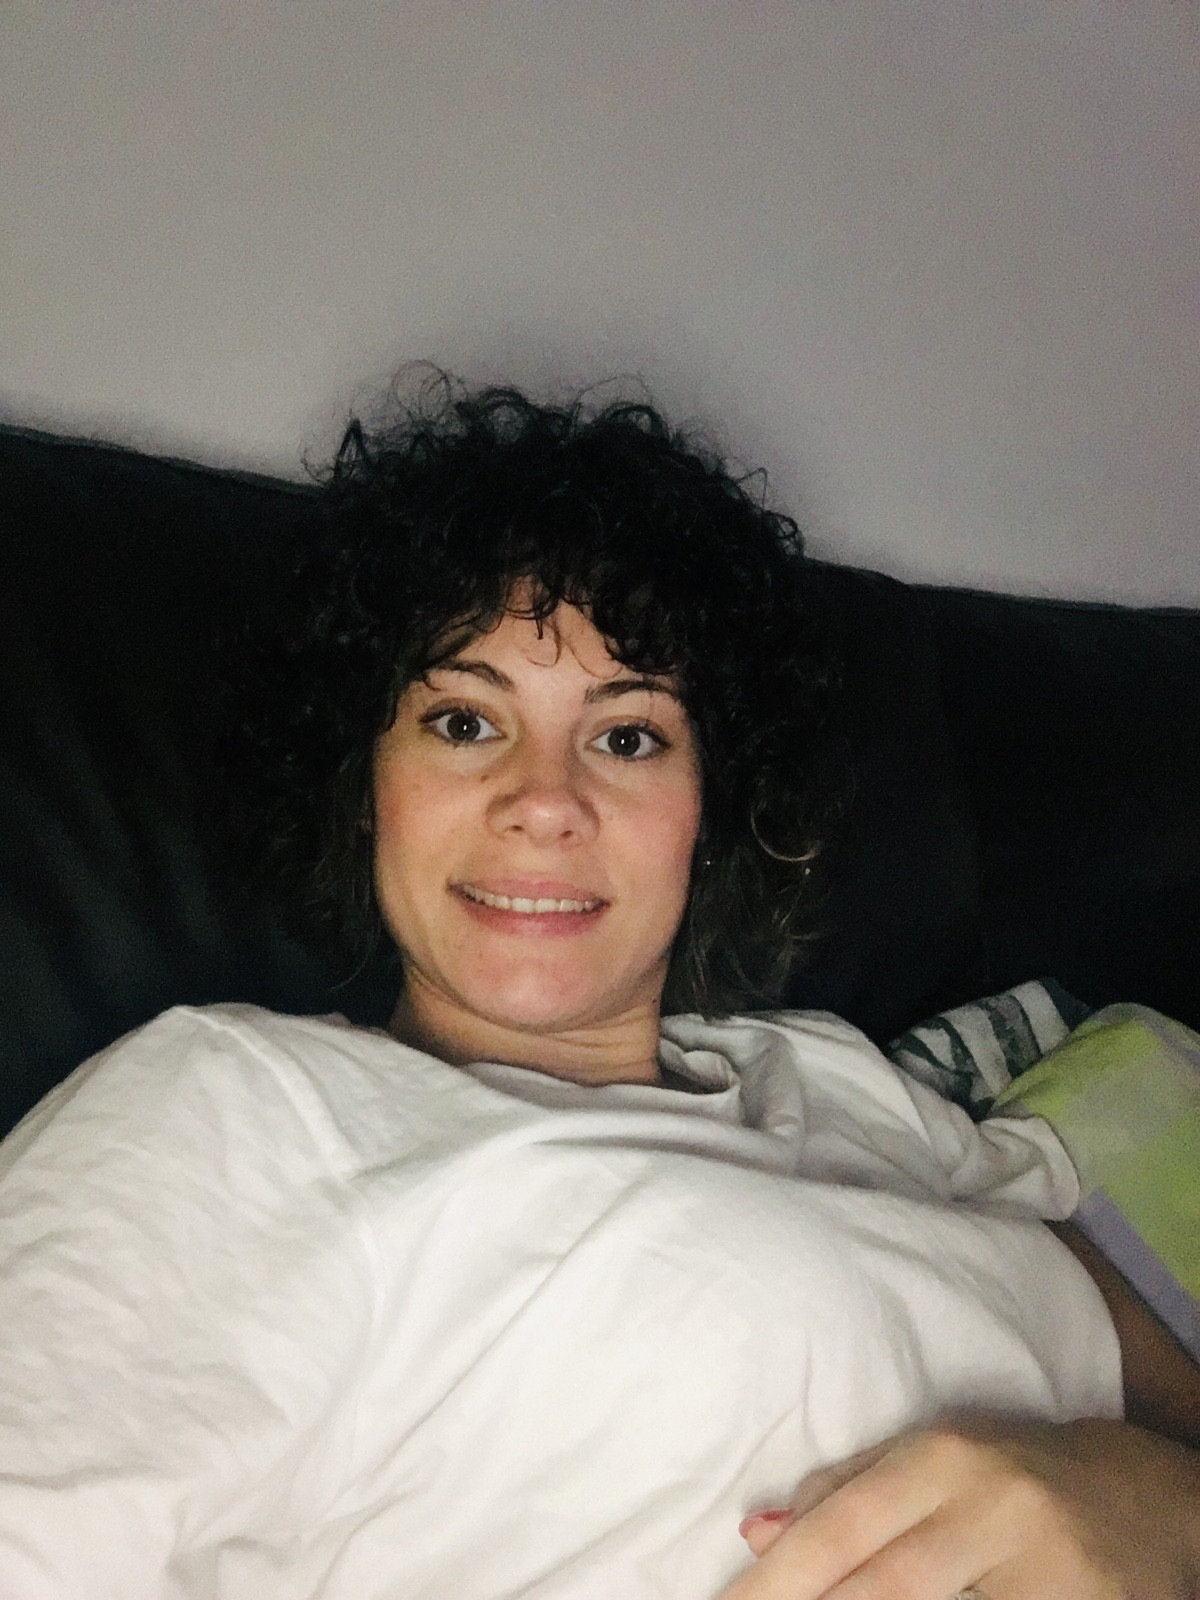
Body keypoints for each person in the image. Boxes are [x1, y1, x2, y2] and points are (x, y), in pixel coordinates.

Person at [0, 376, 1196, 1599]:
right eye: (465, 721)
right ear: (365, 787)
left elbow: (1163, 1392)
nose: (545, 801)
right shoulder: (227, 1108)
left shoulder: (834, 1078)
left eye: (627, 736)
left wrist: (1151, 1502)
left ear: (706, 815)